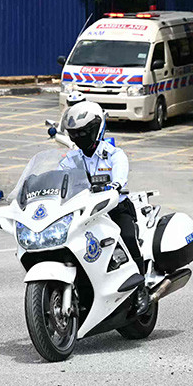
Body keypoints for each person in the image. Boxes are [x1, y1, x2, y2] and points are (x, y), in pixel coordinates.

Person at [61, 101, 149, 314]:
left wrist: (114, 185)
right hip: (83, 212)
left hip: (113, 209)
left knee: (128, 238)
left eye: (84, 132)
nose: (79, 137)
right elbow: (59, 179)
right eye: (75, 133)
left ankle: (140, 290)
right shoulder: (72, 158)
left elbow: (120, 180)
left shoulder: (114, 155)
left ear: (96, 129)